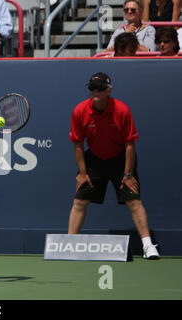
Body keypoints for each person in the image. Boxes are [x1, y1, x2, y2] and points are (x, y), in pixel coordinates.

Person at [68, 72, 160, 260]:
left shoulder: (122, 110)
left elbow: (129, 144)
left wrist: (127, 174)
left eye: (100, 88)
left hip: (120, 159)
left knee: (134, 201)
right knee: (79, 201)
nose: (95, 92)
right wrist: (82, 172)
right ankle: (69, 245)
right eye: (92, 88)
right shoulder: (80, 111)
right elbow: (78, 143)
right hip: (94, 160)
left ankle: (148, 246)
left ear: (108, 90)